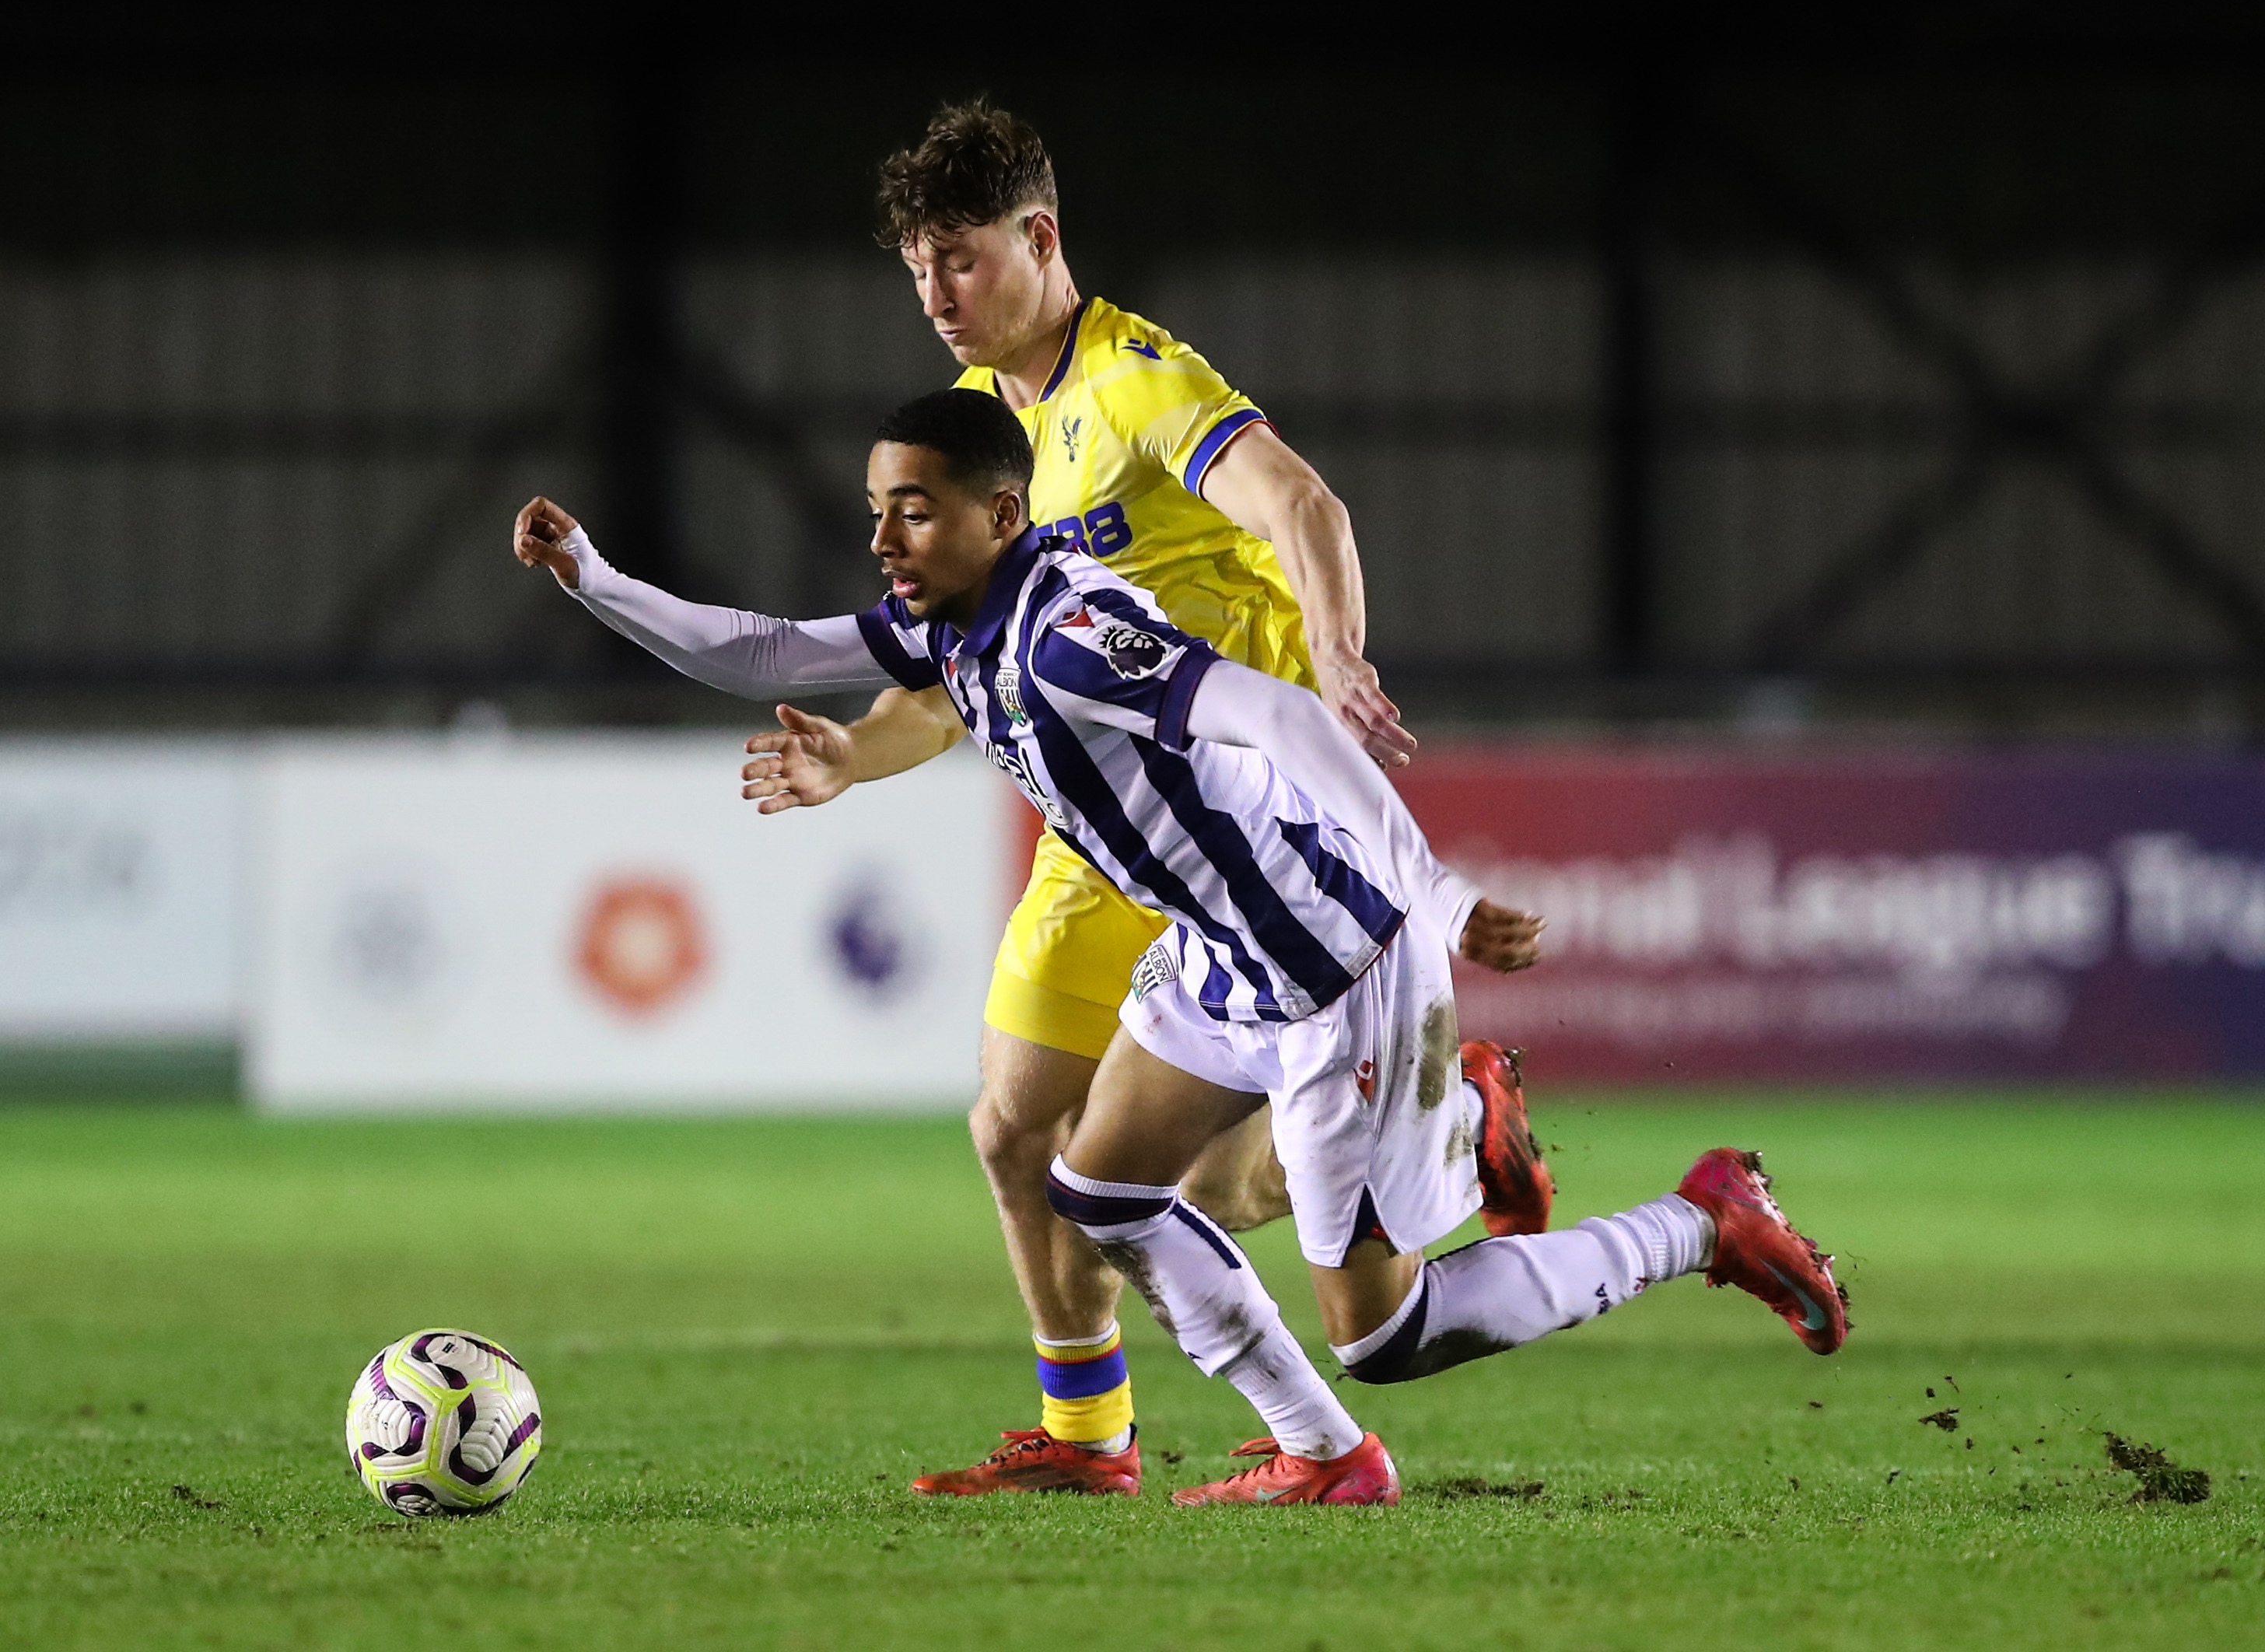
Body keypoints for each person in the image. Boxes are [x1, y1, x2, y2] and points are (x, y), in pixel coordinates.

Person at [516, 387, 1850, 1507]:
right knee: (1094, 1191)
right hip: (1220, 960)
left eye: (912, 508)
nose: (884, 536)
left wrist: (1435, 895)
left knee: (1383, 1332)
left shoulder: (1069, 634)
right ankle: (1325, 1457)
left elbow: (1280, 721)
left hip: (1338, 966)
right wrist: (595, 579)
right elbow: (764, 650)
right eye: (878, 507)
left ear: (1001, 513)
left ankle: (1702, 1221)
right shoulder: (944, 620)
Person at [593, 97, 1554, 1496]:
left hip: (1226, 815)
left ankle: (1450, 1134)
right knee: (1013, 1131)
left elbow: (1305, 508)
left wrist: (1336, 648)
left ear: (1041, 240)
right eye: (916, 270)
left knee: (1203, 1195)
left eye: (961, 261)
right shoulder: (976, 433)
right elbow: (937, 670)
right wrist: (854, 754)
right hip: (1094, 828)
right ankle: (1089, 1437)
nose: (935, 296)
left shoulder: (1138, 380)